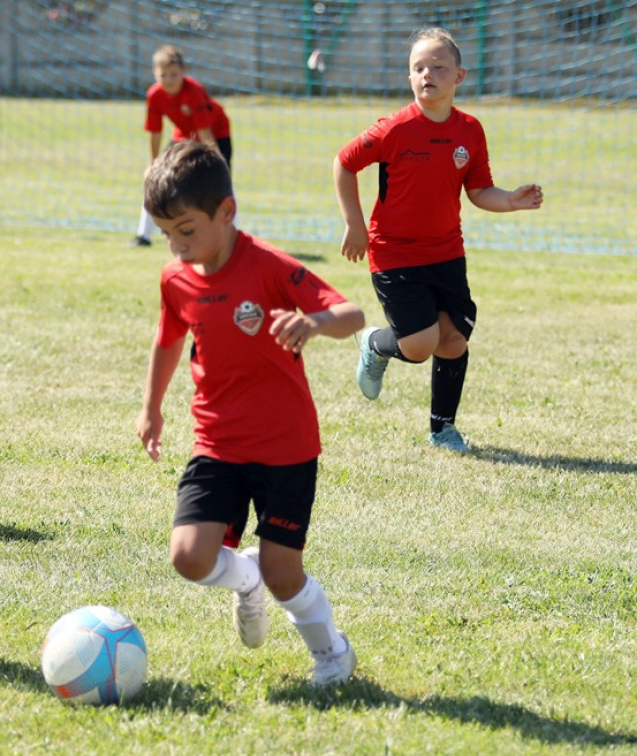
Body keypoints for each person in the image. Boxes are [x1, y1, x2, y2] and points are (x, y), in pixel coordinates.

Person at [136, 141, 364, 686]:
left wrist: (313, 323)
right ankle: (245, 581)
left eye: (186, 230)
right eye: (166, 233)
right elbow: (168, 339)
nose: (177, 245)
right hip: (217, 444)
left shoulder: (269, 267)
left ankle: (332, 653)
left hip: (286, 447)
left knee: (284, 574)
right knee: (189, 556)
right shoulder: (175, 279)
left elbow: (351, 314)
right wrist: (151, 409)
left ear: (227, 211)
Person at [334, 28, 543, 453]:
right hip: (394, 253)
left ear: (459, 76)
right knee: (418, 347)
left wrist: (511, 201)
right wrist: (355, 224)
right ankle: (374, 343)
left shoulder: (470, 130)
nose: (427, 74)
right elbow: (344, 163)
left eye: (438, 67)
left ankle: (442, 429)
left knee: (452, 341)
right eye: (418, 68)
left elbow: (479, 190)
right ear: (409, 78)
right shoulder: (394, 129)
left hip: (446, 253)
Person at [129, 44, 232, 248]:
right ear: (154, 73)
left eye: (173, 74)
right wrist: (152, 164)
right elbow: (155, 132)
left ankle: (230, 235)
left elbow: (205, 132)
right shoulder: (154, 95)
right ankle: (143, 235)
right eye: (163, 75)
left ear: (183, 72)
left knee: (221, 184)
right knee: (157, 179)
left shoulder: (194, 91)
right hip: (183, 135)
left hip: (216, 134)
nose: (168, 80)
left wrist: (217, 163)